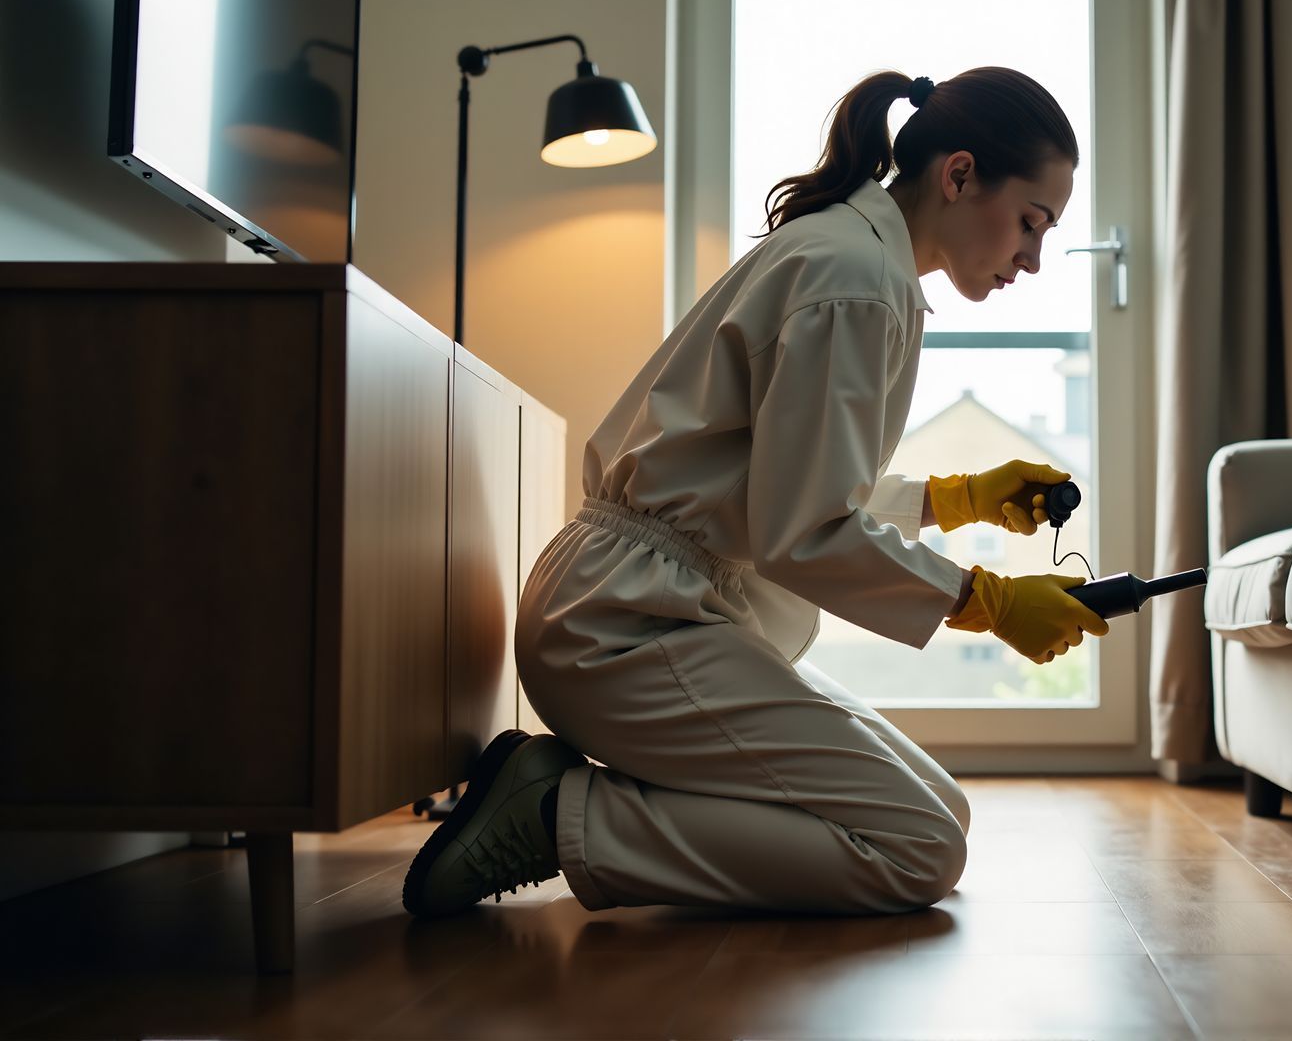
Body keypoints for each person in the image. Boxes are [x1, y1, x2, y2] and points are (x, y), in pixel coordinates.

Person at [403, 67, 1109, 919]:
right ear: (959, 175)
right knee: (920, 845)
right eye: (1031, 223)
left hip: (650, 606)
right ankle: (557, 816)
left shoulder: (855, 260)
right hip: (624, 631)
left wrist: (955, 499)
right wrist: (986, 601)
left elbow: (785, 489)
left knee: (940, 811)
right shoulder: (853, 281)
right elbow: (802, 530)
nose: (1033, 260)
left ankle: (585, 794)